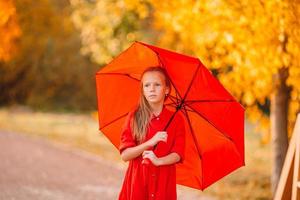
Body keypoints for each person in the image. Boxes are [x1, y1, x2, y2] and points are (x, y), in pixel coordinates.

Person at [118, 66, 186, 200]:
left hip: (164, 181)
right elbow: (125, 155)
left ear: (166, 89)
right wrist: (150, 143)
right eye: (147, 85)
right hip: (138, 181)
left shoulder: (176, 120)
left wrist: (159, 161)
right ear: (142, 90)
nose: (152, 89)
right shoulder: (134, 116)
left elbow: (178, 154)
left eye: (157, 85)